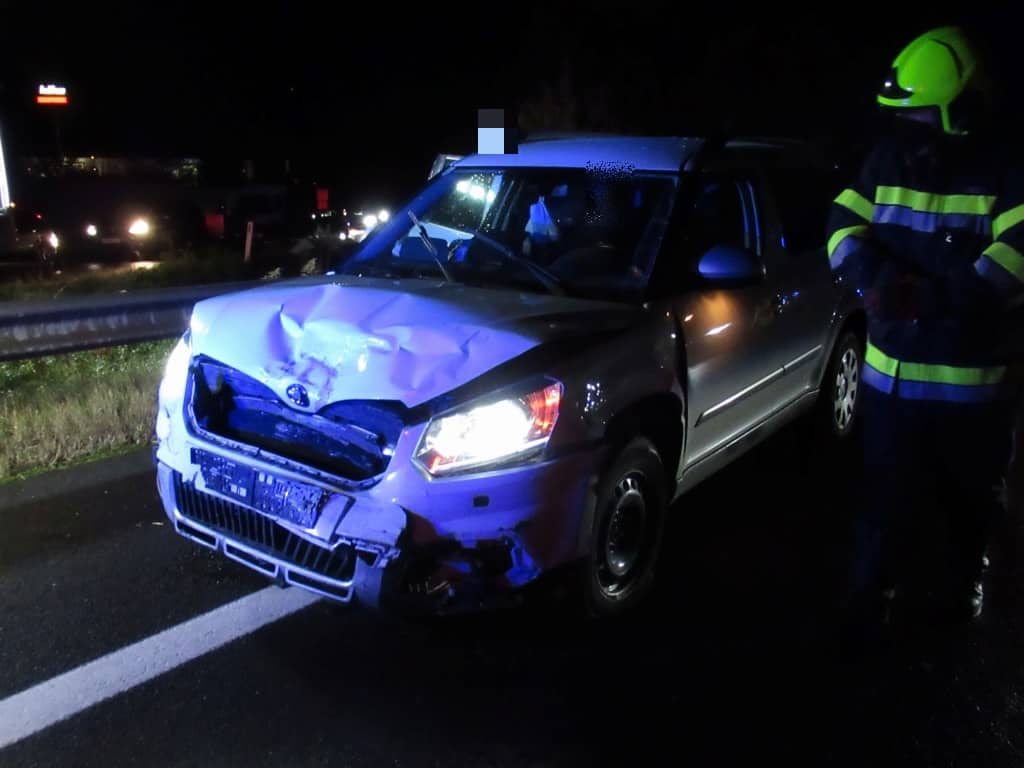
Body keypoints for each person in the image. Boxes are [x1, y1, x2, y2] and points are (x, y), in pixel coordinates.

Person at [827, 26, 1024, 633]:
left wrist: (932, 298)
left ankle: (961, 593)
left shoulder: (1005, 171)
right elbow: (840, 225)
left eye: (920, 115)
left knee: (969, 504)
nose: (908, 126)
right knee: (882, 504)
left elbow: (1016, 254)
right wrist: (870, 276)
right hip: (892, 388)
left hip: (972, 390)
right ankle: (869, 602)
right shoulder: (885, 161)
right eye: (903, 114)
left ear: (959, 112)